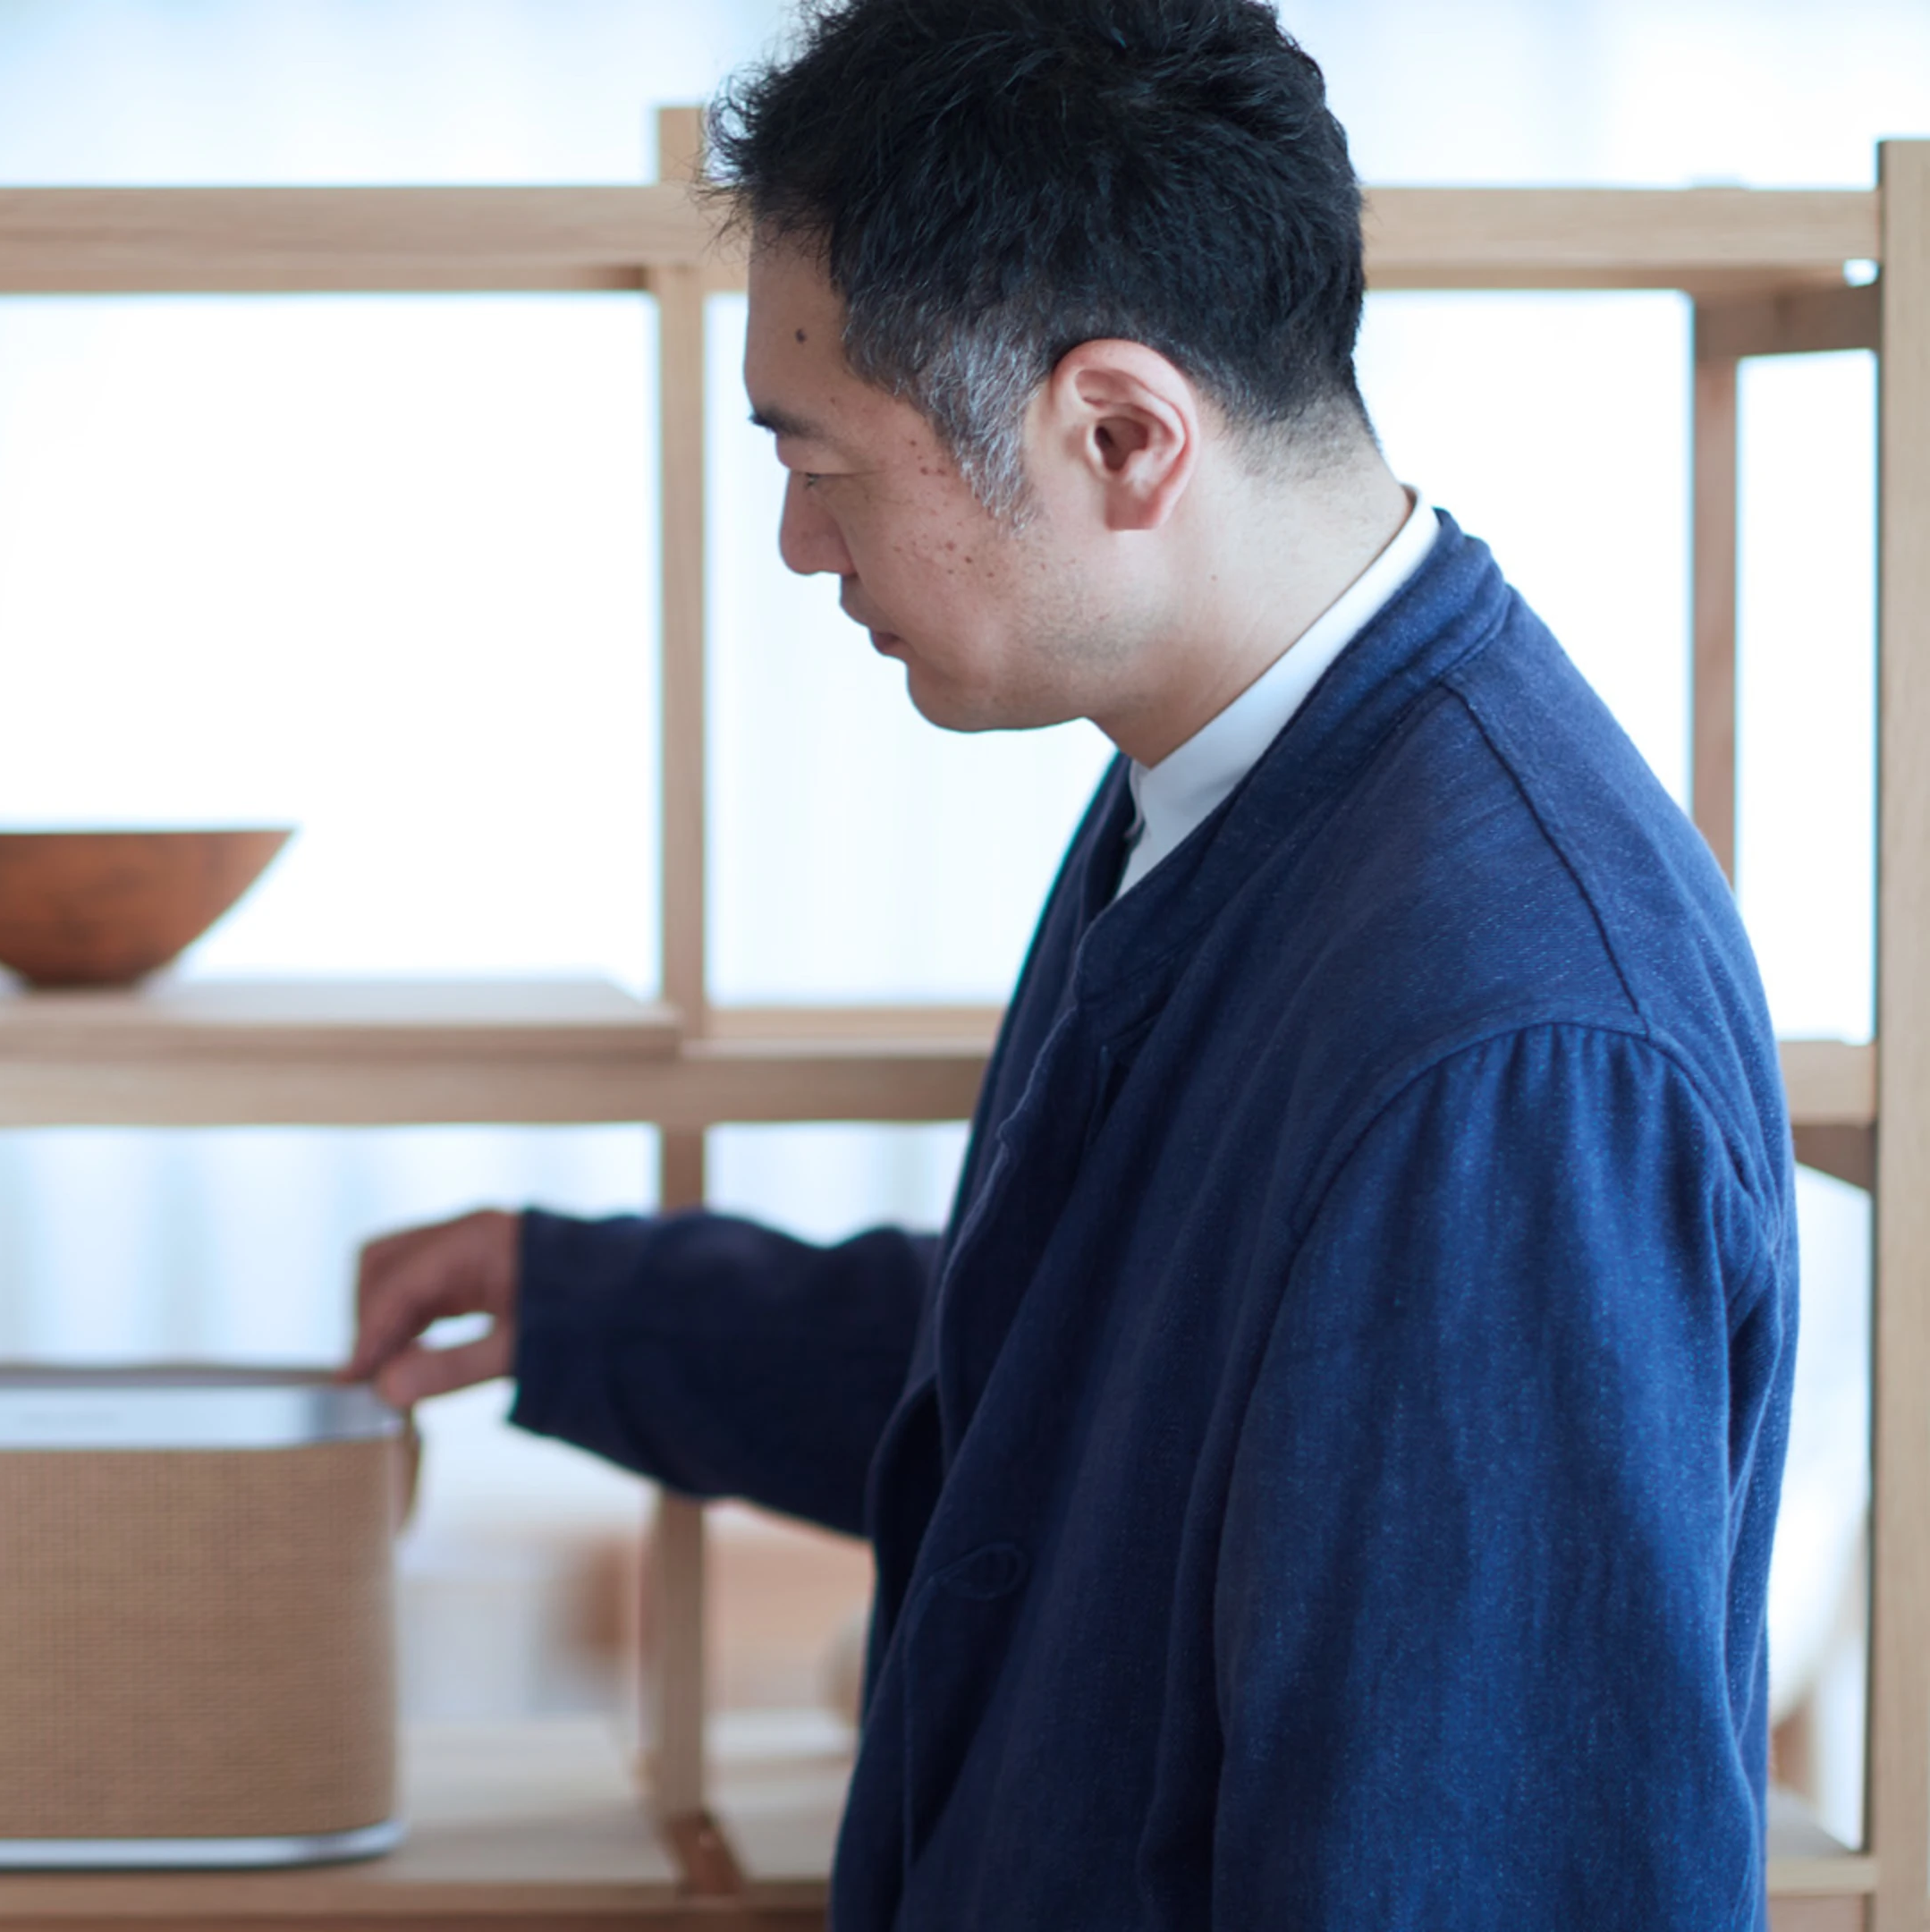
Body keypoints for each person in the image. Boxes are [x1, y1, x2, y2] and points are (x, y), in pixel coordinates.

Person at [343, 1, 1797, 1924]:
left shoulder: (1510, 1052)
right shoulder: (1235, 795)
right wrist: (602, 1307)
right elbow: (1112, 1387)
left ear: (1120, 435)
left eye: (823, 462)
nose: (796, 545)